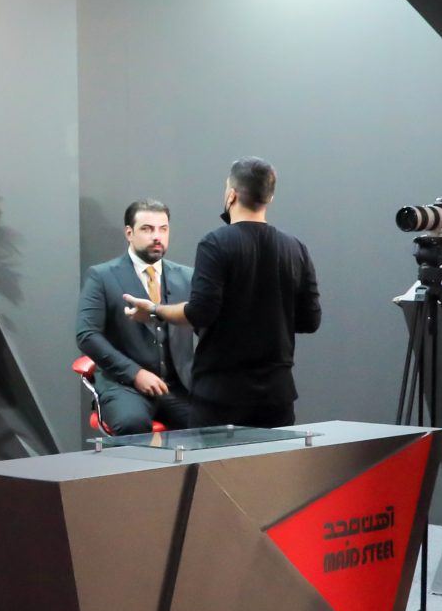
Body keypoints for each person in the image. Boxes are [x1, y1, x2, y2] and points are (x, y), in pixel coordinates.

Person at [124, 158, 321, 429]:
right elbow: (310, 321)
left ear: (231, 195)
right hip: (277, 395)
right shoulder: (295, 248)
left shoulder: (215, 244)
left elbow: (200, 313)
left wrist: (155, 310)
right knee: (274, 459)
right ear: (270, 197)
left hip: (221, 395)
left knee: (216, 458)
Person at [78, 199, 201, 434]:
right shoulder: (102, 276)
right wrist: (135, 373)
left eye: (163, 229)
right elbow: (87, 335)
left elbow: (205, 327)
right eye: (147, 229)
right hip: (124, 386)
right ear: (129, 233)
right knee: (132, 424)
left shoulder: (187, 277)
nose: (157, 236)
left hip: (178, 386)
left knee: (213, 423)